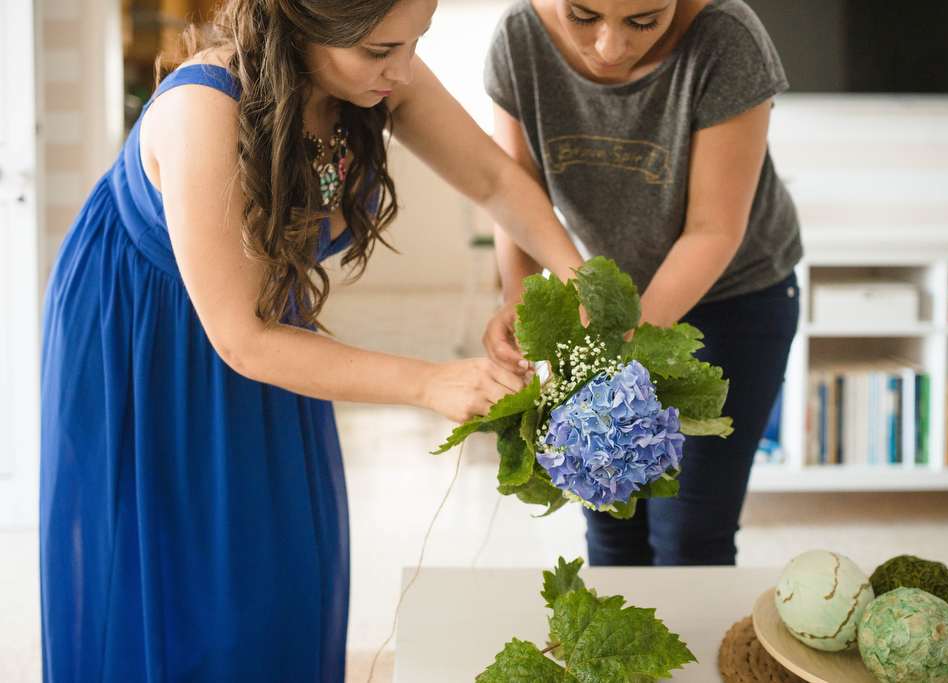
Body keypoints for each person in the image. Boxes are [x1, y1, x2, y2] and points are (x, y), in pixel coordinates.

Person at [38, 0, 585, 678]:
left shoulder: (377, 74)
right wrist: (430, 382)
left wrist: (580, 282)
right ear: (299, 25)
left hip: (267, 324)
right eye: (382, 49)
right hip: (146, 329)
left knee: (285, 560)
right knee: (183, 578)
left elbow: (493, 177)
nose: (405, 69)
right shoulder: (204, 107)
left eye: (417, 41)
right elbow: (242, 339)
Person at [482, 0, 802, 567]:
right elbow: (515, 192)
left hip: (732, 301)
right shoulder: (519, 39)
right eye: (583, 16)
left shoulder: (728, 39)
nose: (609, 47)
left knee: (690, 537)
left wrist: (616, 351)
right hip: (608, 309)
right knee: (609, 525)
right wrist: (522, 301)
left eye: (643, 20)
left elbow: (712, 230)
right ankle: (618, 659)